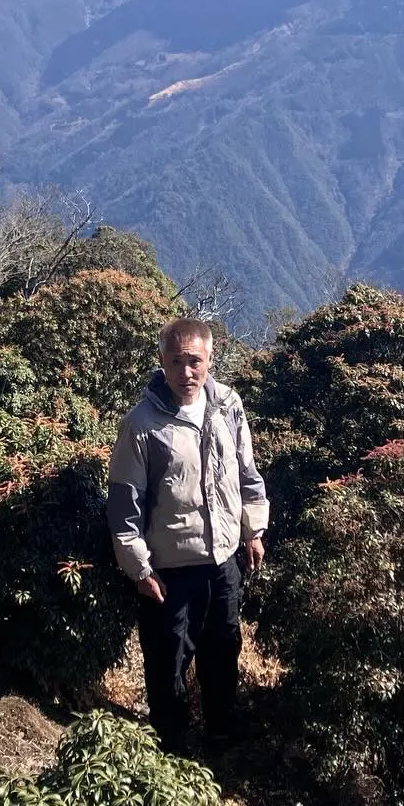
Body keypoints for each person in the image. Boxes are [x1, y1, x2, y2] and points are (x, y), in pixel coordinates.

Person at [107, 316, 270, 754]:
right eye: (176, 362)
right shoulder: (142, 425)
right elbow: (125, 504)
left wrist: (253, 530)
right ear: (161, 361)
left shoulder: (228, 407)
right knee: (168, 663)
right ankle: (171, 750)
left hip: (222, 561)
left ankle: (221, 735)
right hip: (169, 570)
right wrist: (138, 567)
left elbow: (247, 473)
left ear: (210, 359)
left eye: (194, 361)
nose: (186, 372)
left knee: (223, 650)